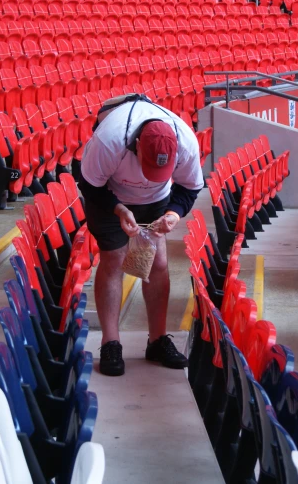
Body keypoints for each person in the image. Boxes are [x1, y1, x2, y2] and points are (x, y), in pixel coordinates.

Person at [77, 94, 204, 376]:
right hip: (109, 196)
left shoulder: (185, 141)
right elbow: (89, 185)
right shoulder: (108, 140)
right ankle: (111, 343)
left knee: (157, 264)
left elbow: (190, 188)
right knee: (114, 260)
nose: (150, 174)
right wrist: (119, 210)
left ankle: (157, 340)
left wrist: (172, 214)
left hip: (157, 200)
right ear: (136, 146)